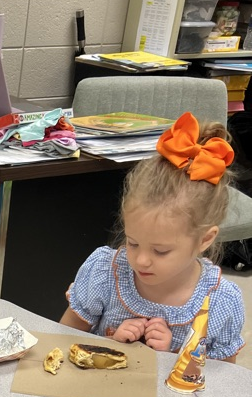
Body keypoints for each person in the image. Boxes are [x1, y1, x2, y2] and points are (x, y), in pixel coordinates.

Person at [61, 112, 245, 362]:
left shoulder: (220, 303)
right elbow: (62, 339)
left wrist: (171, 357)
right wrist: (109, 344)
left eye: (160, 251)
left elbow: (221, 384)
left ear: (205, 239)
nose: (141, 260)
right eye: (133, 243)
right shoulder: (106, 273)